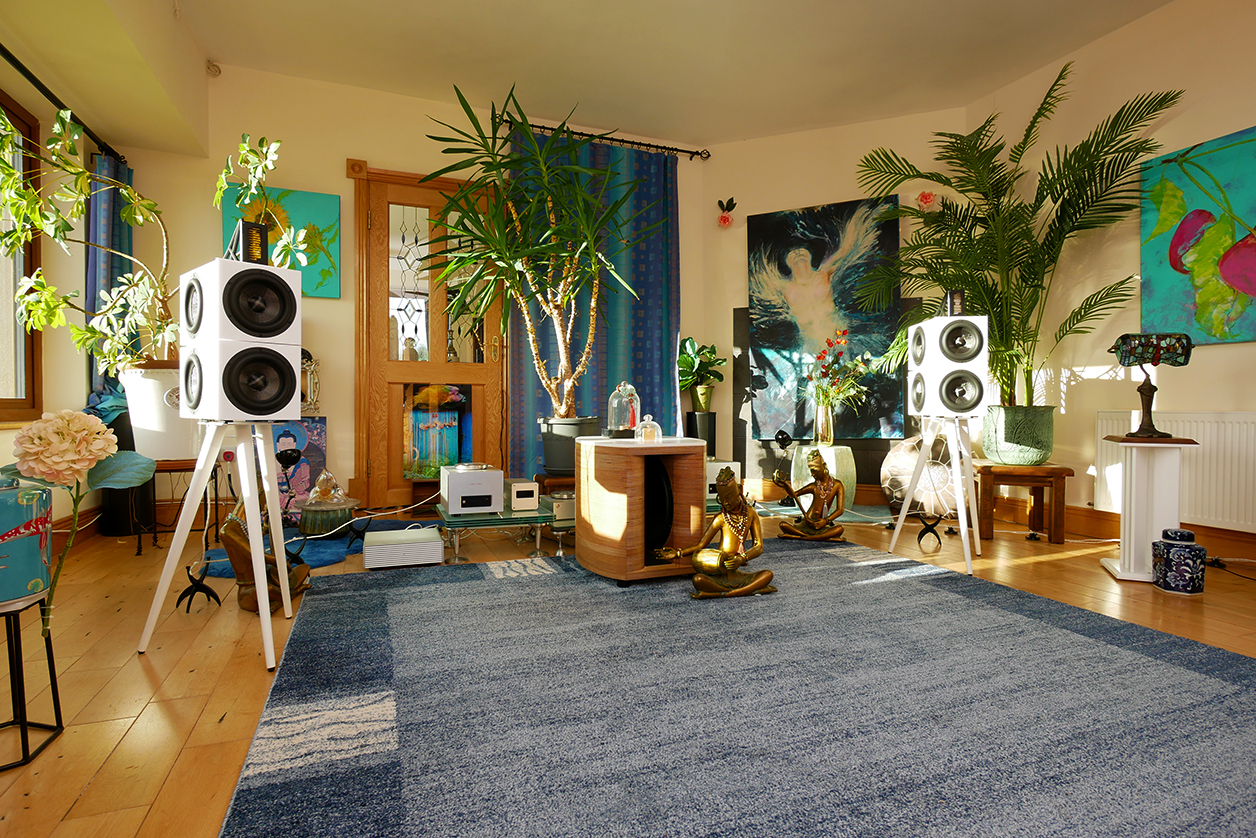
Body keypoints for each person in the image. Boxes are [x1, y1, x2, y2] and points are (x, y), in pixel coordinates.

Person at [654, 466, 776, 599]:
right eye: (721, 498)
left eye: (728, 496)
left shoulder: (751, 513)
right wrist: (678, 553)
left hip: (736, 573)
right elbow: (701, 545)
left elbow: (759, 546)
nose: (726, 502)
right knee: (698, 580)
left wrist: (742, 558)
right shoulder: (720, 518)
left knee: (767, 574)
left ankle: (725, 593)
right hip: (720, 571)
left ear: (740, 490)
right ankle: (747, 590)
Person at [772, 448, 846, 541]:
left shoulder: (837, 485)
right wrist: (785, 486)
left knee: (839, 529)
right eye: (811, 471)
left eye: (814, 470)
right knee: (783, 525)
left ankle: (802, 537)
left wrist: (826, 521)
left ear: (823, 466)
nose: (812, 474)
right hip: (806, 524)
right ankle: (817, 538)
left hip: (821, 525)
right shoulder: (813, 486)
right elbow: (793, 495)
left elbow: (840, 510)